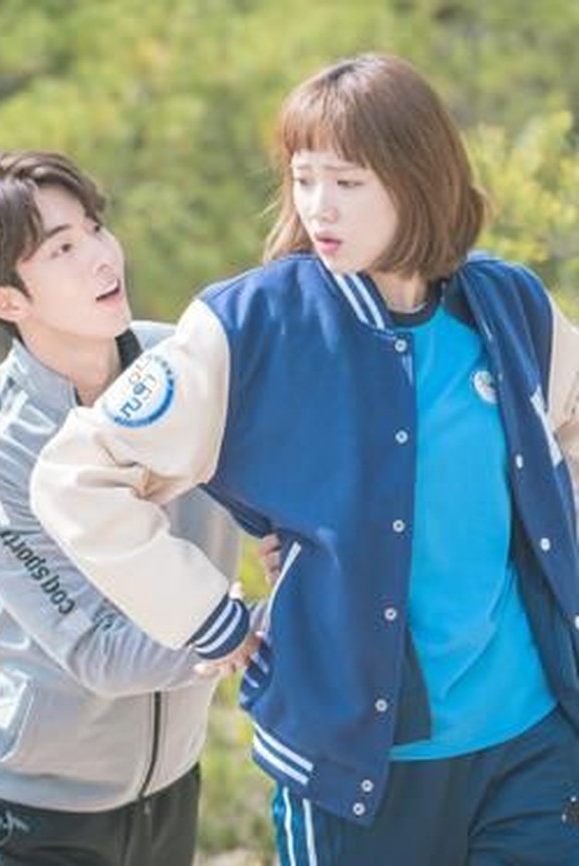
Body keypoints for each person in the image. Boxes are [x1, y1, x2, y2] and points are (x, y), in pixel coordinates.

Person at [31, 54, 579, 865]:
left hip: (532, 739)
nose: (320, 206)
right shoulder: (253, 324)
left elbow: (566, 429)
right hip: (358, 766)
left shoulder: (508, 303)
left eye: (348, 182)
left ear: (420, 178)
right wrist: (209, 619)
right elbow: (76, 477)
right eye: (303, 178)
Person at [0, 149, 256, 866]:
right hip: (39, 810)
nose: (103, 256)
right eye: (62, 249)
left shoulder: (188, 366)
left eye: (95, 229)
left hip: (173, 779)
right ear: (6, 301)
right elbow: (98, 652)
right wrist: (251, 632)